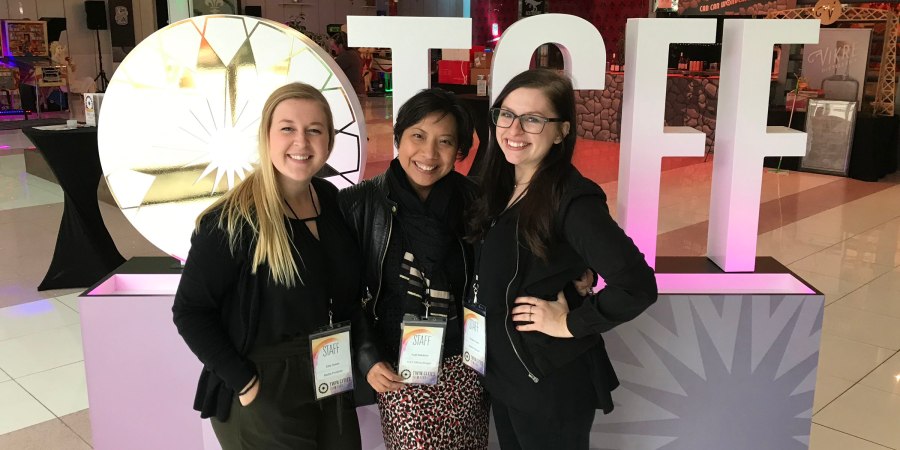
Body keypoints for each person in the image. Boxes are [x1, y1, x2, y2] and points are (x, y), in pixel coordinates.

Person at [467, 69, 658, 450]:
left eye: (533, 119)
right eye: (507, 114)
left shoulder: (572, 200)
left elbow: (637, 285)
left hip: (548, 383)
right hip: (506, 375)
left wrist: (569, 323)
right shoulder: (501, 183)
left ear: (561, 131)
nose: (514, 129)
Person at [173, 82, 363, 450]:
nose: (301, 142)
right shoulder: (233, 221)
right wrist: (245, 383)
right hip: (265, 386)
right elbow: (190, 311)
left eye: (314, 130)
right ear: (266, 136)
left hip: (330, 375)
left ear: (329, 140)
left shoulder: (331, 201)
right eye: (288, 128)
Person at [338, 88, 490, 449]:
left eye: (445, 141)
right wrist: (367, 357)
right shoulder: (359, 205)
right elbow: (342, 293)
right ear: (399, 137)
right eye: (418, 136)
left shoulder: (476, 203)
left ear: (459, 150)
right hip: (395, 367)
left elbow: (502, 271)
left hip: (465, 367)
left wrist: (580, 276)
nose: (429, 153)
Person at [331, 32, 366, 97]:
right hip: (357, 92)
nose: (332, 49)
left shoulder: (346, 56)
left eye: (333, 46)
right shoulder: (353, 53)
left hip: (353, 94)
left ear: (340, 45)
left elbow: (331, 69)